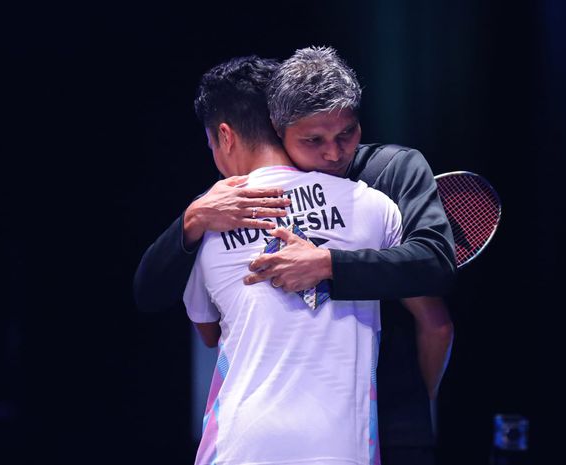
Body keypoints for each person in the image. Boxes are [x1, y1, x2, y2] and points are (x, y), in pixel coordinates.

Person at [134, 47, 456, 465]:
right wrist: (191, 220)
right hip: (310, 435)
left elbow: (435, 274)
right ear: (278, 128)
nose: (334, 153)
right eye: (314, 140)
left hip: (378, 423)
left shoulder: (387, 178)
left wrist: (327, 265)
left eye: (347, 134)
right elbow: (149, 293)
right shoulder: (216, 211)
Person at [184, 55, 403, 465]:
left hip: (238, 447)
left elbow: (209, 332)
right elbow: (422, 282)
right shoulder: (375, 208)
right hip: (342, 450)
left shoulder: (206, 226)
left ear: (225, 136)